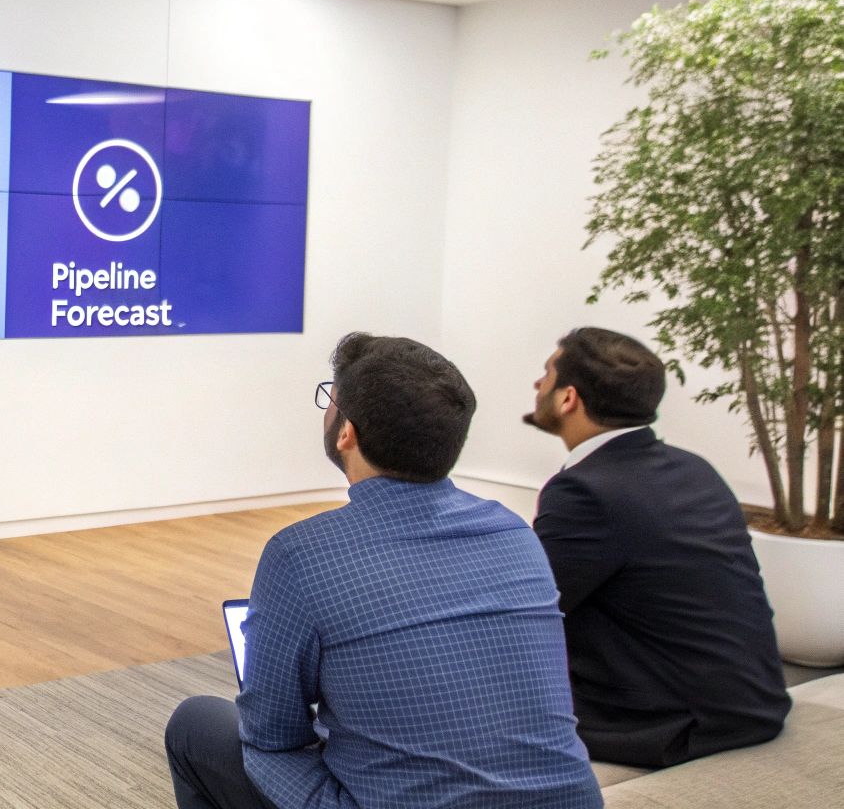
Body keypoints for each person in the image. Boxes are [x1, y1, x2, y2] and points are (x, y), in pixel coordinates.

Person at [166, 333, 600, 809]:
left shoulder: (301, 554)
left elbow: (272, 734)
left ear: (346, 431)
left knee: (197, 723)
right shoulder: (515, 534)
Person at [525, 327, 789, 766]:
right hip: (753, 703)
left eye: (546, 374)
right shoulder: (693, 468)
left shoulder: (586, 489)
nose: (538, 385)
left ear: (568, 398)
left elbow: (530, 608)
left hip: (677, 726)